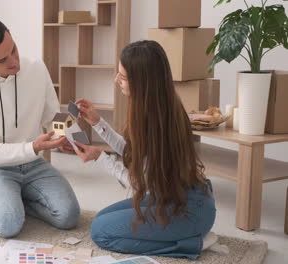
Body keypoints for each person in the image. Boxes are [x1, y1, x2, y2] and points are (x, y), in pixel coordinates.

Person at [72, 40, 217, 259]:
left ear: (141, 81)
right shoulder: (158, 106)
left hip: (187, 210)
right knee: (102, 218)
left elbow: (141, 185)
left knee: (101, 233)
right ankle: (184, 234)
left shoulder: (157, 123)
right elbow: (134, 153)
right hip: (172, 197)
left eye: (122, 77)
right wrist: (97, 122)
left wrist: (99, 158)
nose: (116, 80)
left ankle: (191, 243)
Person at [0, 17, 80, 238]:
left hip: (34, 165)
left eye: (13, 49)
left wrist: (72, 136)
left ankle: (15, 201)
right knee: (8, 225)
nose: (14, 61)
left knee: (69, 216)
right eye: (3, 59)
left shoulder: (36, 68)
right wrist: (33, 147)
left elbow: (52, 115)